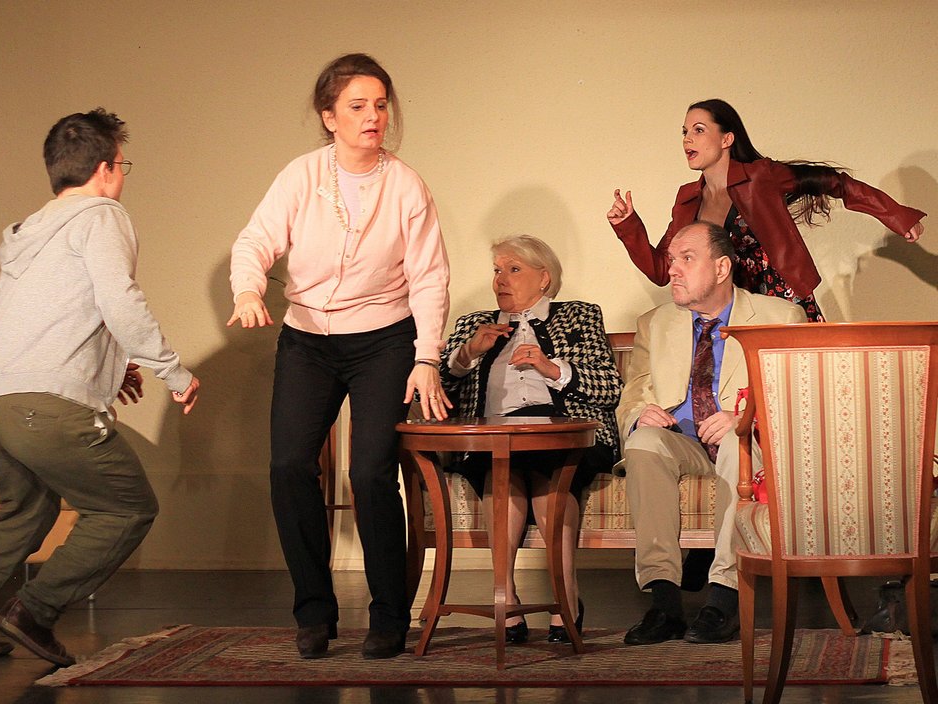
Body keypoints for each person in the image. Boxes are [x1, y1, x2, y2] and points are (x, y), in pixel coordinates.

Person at [0, 108, 200, 667]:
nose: (122, 176)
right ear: (106, 168)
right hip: (44, 407)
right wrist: (171, 371)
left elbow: (55, 314)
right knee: (126, 508)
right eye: (122, 165)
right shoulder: (102, 215)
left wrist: (109, 368)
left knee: (24, 514)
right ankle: (34, 610)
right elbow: (118, 300)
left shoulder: (29, 232)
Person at [228, 53, 450, 660]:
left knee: (371, 472)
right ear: (329, 116)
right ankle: (314, 612)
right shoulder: (300, 176)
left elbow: (429, 276)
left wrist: (426, 357)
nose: (372, 116)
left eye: (380, 105)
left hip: (384, 339)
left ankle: (388, 617)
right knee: (289, 466)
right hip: (307, 338)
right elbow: (256, 240)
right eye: (357, 106)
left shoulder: (406, 185)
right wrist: (248, 288)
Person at [618, 221, 805, 646]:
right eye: (672, 260)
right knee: (643, 443)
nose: (672, 270)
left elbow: (795, 397)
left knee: (735, 449)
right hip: (681, 439)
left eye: (686, 259)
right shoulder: (654, 323)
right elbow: (633, 394)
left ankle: (724, 597)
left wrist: (744, 418)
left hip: (742, 441)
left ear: (721, 268)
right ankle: (664, 601)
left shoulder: (779, 317)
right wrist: (640, 413)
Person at [439, 235, 622, 644]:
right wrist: (467, 354)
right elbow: (438, 393)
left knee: (547, 467)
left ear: (544, 278)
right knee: (501, 467)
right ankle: (505, 596)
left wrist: (552, 367)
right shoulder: (473, 325)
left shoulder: (579, 315)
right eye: (497, 270)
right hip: (494, 436)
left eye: (513, 269)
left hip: (565, 435)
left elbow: (609, 387)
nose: (500, 279)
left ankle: (564, 593)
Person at [608, 98, 927, 322]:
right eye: (685, 132)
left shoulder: (760, 177)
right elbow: (661, 270)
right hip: (728, 315)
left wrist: (896, 215)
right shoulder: (687, 199)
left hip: (781, 305)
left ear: (726, 139)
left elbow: (835, 182)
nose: (687, 139)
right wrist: (628, 226)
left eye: (699, 130)